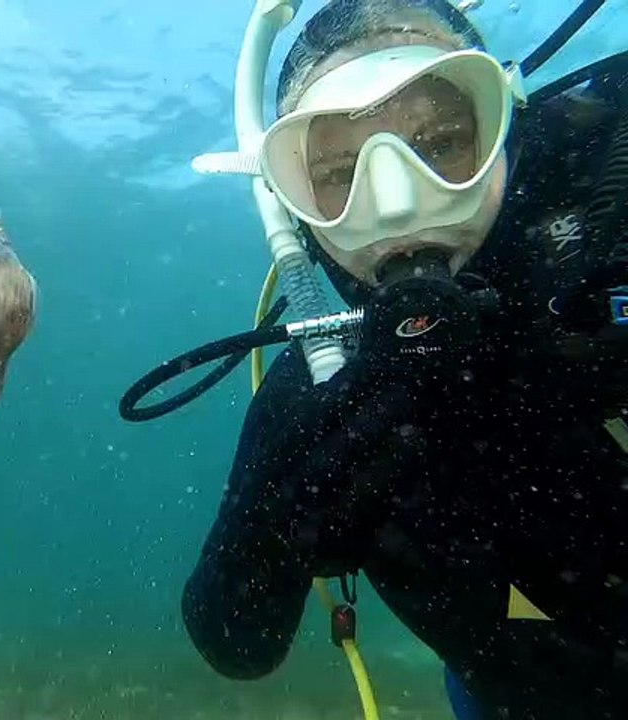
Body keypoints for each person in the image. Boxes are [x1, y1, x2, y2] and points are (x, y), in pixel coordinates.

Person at [177, 0, 628, 718]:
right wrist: (277, 519)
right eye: (338, 170)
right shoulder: (323, 391)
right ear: (289, 203)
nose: (394, 204)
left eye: (443, 142)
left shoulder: (612, 243)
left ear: (507, 126)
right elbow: (237, 644)